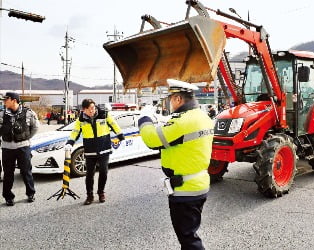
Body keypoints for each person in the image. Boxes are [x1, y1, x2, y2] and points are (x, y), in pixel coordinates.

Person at [138, 79, 214, 250]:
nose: (170, 103)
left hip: (186, 190)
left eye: (171, 98)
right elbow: (179, 133)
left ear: (178, 99)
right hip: (199, 184)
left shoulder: (181, 122)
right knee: (189, 234)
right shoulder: (202, 116)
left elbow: (152, 139)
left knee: (188, 238)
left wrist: (144, 118)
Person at [65, 99, 125, 205]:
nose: (92, 111)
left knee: (103, 171)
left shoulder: (104, 114)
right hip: (90, 150)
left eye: (93, 108)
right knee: (89, 175)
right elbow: (75, 132)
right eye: (89, 109)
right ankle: (89, 195)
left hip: (104, 148)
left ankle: (101, 192)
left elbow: (114, 124)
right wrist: (70, 142)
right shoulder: (81, 119)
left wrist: (120, 135)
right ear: (84, 110)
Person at [0, 92, 40, 206]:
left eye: (6, 99)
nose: (4, 101)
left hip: (23, 147)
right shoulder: (2, 114)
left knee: (26, 171)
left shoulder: (28, 113)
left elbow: (35, 127)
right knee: (8, 173)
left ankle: (30, 193)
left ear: (14, 100)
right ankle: (8, 197)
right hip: (7, 148)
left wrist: (25, 139)